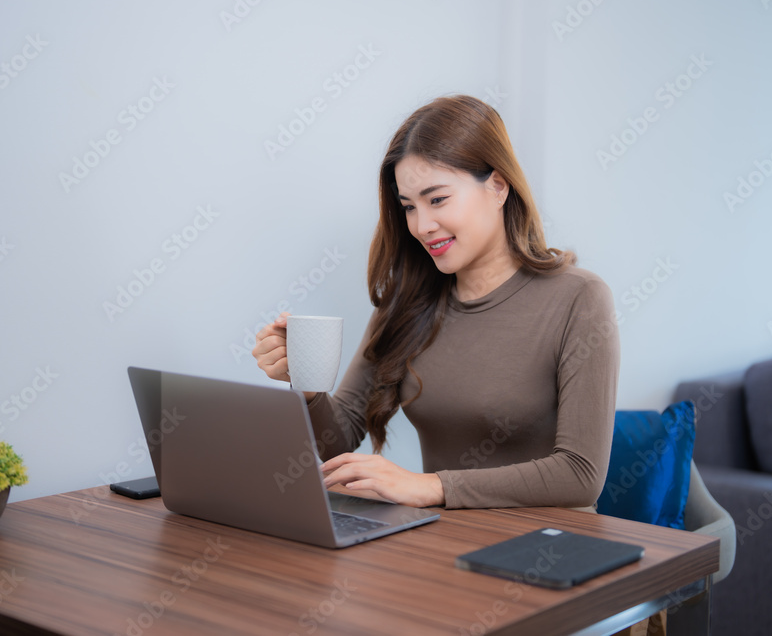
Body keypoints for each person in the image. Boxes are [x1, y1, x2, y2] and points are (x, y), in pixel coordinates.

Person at [252, 94, 620, 511]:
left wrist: (432, 487)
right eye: (409, 207)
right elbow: (338, 444)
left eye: (437, 199)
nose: (422, 226)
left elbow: (580, 475)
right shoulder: (408, 303)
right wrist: (306, 384)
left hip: (547, 550)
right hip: (441, 542)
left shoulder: (579, 298)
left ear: (498, 186)